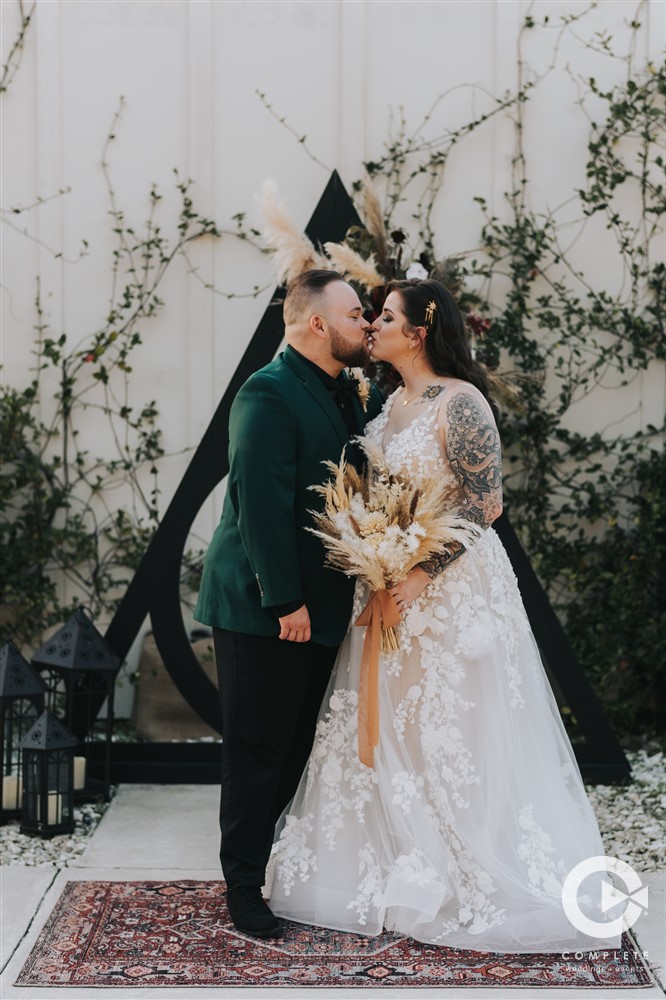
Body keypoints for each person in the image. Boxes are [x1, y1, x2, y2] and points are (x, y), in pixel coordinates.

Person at [265, 278, 621, 954]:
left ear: (419, 331)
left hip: (450, 593)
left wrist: (421, 574)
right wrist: (373, 556)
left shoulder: (461, 404)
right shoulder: (387, 401)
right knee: (394, 726)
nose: (373, 324)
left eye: (386, 316)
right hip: (386, 587)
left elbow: (486, 506)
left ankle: (468, 872)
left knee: (453, 728)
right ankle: (397, 862)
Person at [194, 269, 383, 939]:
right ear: (316, 324)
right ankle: (242, 891)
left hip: (324, 605)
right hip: (263, 606)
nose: (367, 322)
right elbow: (260, 507)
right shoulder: (266, 393)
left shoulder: (344, 392)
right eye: (357, 313)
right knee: (255, 748)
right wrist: (286, 603)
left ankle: (270, 867)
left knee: (298, 747)